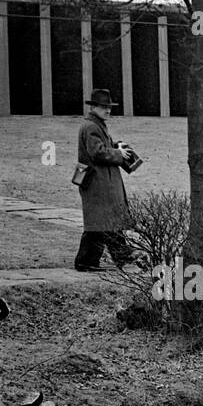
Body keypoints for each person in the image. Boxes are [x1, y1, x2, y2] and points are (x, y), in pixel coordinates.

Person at [74, 89, 136, 272]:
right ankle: (87, 261)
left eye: (109, 107)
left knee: (104, 222)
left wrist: (116, 146)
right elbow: (97, 152)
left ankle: (121, 257)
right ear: (93, 107)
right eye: (104, 107)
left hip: (99, 182)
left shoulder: (94, 124)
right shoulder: (92, 126)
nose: (108, 110)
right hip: (98, 183)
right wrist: (119, 153)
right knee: (101, 223)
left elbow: (99, 148)